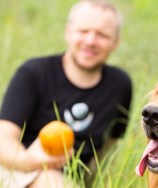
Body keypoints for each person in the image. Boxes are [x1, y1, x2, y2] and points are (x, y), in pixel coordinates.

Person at [0, 0, 132, 187]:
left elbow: (107, 152)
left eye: (102, 35)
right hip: (17, 169)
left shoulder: (120, 85)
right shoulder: (34, 73)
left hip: (70, 180)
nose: (90, 41)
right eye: (83, 31)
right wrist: (31, 161)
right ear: (68, 31)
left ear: (115, 42)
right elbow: (3, 140)